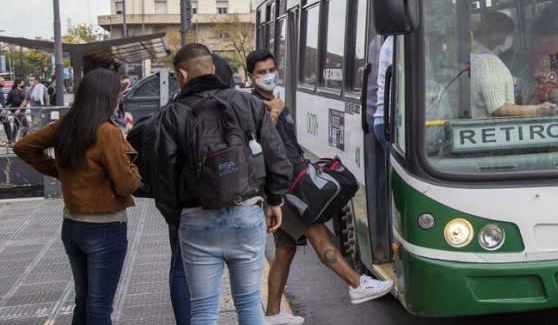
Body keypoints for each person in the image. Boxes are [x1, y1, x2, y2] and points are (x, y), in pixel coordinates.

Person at [246, 50, 393, 325]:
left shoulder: (278, 102)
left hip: (292, 181)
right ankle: (356, 283)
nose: (268, 76)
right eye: (261, 72)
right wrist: (274, 115)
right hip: (283, 188)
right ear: (250, 76)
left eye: (271, 69)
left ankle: (273, 313)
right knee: (319, 235)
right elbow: (255, 144)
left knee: (285, 251)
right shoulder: (253, 105)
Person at [154, 43, 291, 325]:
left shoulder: (172, 114)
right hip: (246, 213)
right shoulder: (249, 104)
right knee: (249, 302)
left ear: (181, 75)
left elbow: (163, 176)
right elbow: (277, 157)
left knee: (203, 310)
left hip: (196, 219)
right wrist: (275, 201)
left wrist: (176, 216)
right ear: (213, 68)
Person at [14, 68, 141, 324]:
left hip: (72, 225)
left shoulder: (67, 124)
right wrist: (136, 169)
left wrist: (63, 172)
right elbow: (126, 184)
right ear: (108, 97)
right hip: (105, 226)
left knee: (84, 300)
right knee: (100, 306)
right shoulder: (107, 132)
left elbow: (23, 146)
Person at [473, 12, 557, 119]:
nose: (510, 38)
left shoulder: (473, 57)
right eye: (509, 33)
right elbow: (498, 108)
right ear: (497, 34)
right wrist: (538, 109)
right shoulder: (489, 61)